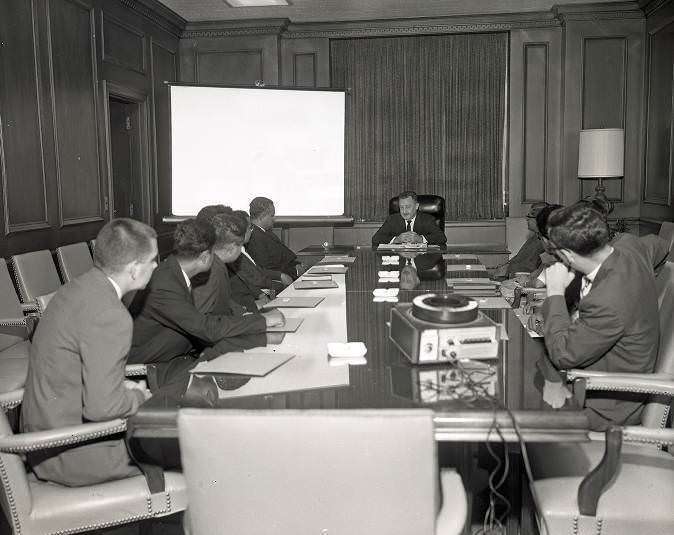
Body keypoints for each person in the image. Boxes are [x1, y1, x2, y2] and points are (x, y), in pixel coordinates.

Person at [21, 218, 157, 486]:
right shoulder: (111, 315)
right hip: (72, 451)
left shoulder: (77, 287)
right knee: (198, 449)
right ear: (134, 269)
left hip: (42, 441)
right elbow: (101, 408)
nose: (155, 266)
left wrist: (121, 388)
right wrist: (138, 397)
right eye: (153, 260)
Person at [538, 203, 660, 430]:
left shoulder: (607, 300)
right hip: (603, 379)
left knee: (525, 411)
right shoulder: (630, 246)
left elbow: (562, 355)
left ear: (566, 254)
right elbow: (660, 245)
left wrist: (554, 292)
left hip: (605, 409)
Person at [128, 218, 284, 367]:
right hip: (155, 364)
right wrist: (262, 320)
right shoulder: (164, 284)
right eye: (213, 253)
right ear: (204, 258)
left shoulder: (174, 272)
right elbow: (206, 329)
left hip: (179, 353)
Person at [246, 196, 303, 279]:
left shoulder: (266, 232)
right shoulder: (254, 237)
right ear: (262, 216)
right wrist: (295, 270)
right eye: (272, 216)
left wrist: (297, 265)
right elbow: (267, 269)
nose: (274, 219)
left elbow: (284, 256)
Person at [493, 201, 550, 279]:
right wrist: (505, 266)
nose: (526, 219)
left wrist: (507, 270)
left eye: (529, 216)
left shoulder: (545, 240)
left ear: (538, 219)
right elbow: (519, 258)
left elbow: (533, 267)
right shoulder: (535, 236)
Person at [371, 190, 447, 246]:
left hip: (421, 260)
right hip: (400, 263)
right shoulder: (392, 220)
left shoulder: (427, 219)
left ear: (416, 206)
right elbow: (376, 239)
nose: (404, 211)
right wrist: (396, 239)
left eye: (407, 207)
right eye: (401, 207)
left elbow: (441, 238)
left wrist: (420, 239)